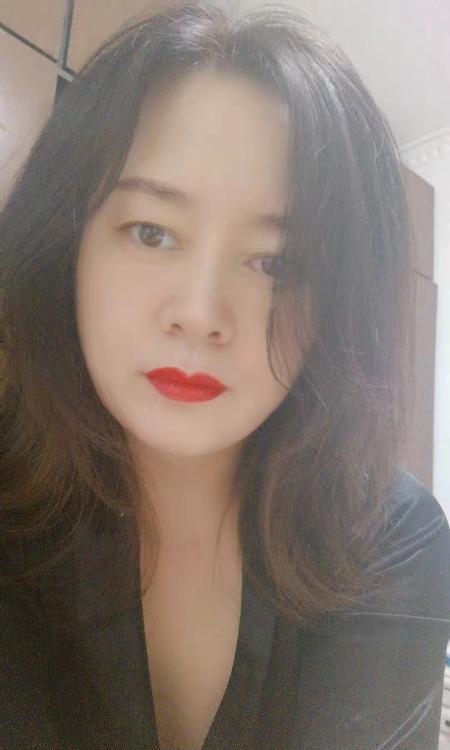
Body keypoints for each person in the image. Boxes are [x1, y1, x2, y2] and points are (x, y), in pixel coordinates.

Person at [1, 1, 449, 748]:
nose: (202, 313)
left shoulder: (386, 540)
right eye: (152, 232)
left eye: (275, 263)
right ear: (66, 245)